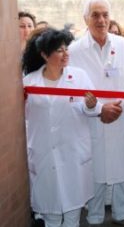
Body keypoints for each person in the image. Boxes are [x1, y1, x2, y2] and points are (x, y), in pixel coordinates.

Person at [68, 0, 124, 226]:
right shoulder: (74, 50)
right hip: (92, 120)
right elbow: (73, 90)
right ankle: (95, 216)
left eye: (105, 14)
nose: (101, 20)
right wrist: (99, 109)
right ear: (85, 19)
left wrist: (118, 107)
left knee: (121, 168)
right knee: (94, 170)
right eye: (95, 15)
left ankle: (122, 213)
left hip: (121, 116)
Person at [22, 28, 101, 227]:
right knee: (51, 212)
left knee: (73, 211)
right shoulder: (29, 83)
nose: (66, 54)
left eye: (66, 49)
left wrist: (91, 105)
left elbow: (92, 107)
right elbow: (22, 117)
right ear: (44, 55)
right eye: (59, 50)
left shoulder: (79, 76)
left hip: (73, 152)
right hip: (43, 153)